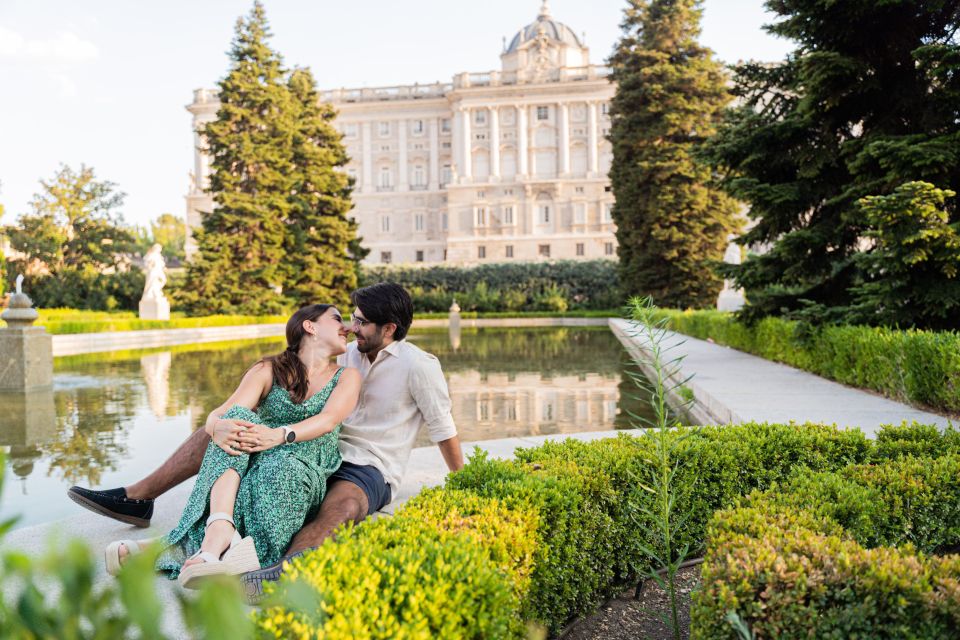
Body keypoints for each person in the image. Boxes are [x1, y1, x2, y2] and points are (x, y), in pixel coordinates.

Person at [69, 283, 465, 598]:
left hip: (368, 465)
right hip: (317, 449)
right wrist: (219, 421)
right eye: (350, 319)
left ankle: (278, 570)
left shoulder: (419, 367)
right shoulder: (348, 355)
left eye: (360, 322)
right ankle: (140, 498)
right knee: (228, 428)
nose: (352, 327)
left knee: (341, 505)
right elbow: (302, 374)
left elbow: (443, 429)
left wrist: (464, 483)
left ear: (389, 329)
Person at [103, 303, 362, 587]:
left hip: (301, 468)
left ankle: (179, 548)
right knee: (235, 419)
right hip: (253, 458)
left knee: (281, 466)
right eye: (337, 319)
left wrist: (279, 435)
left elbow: (328, 420)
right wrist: (218, 427)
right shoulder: (269, 369)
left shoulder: (347, 376)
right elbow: (218, 414)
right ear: (309, 326)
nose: (347, 328)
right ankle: (219, 532)